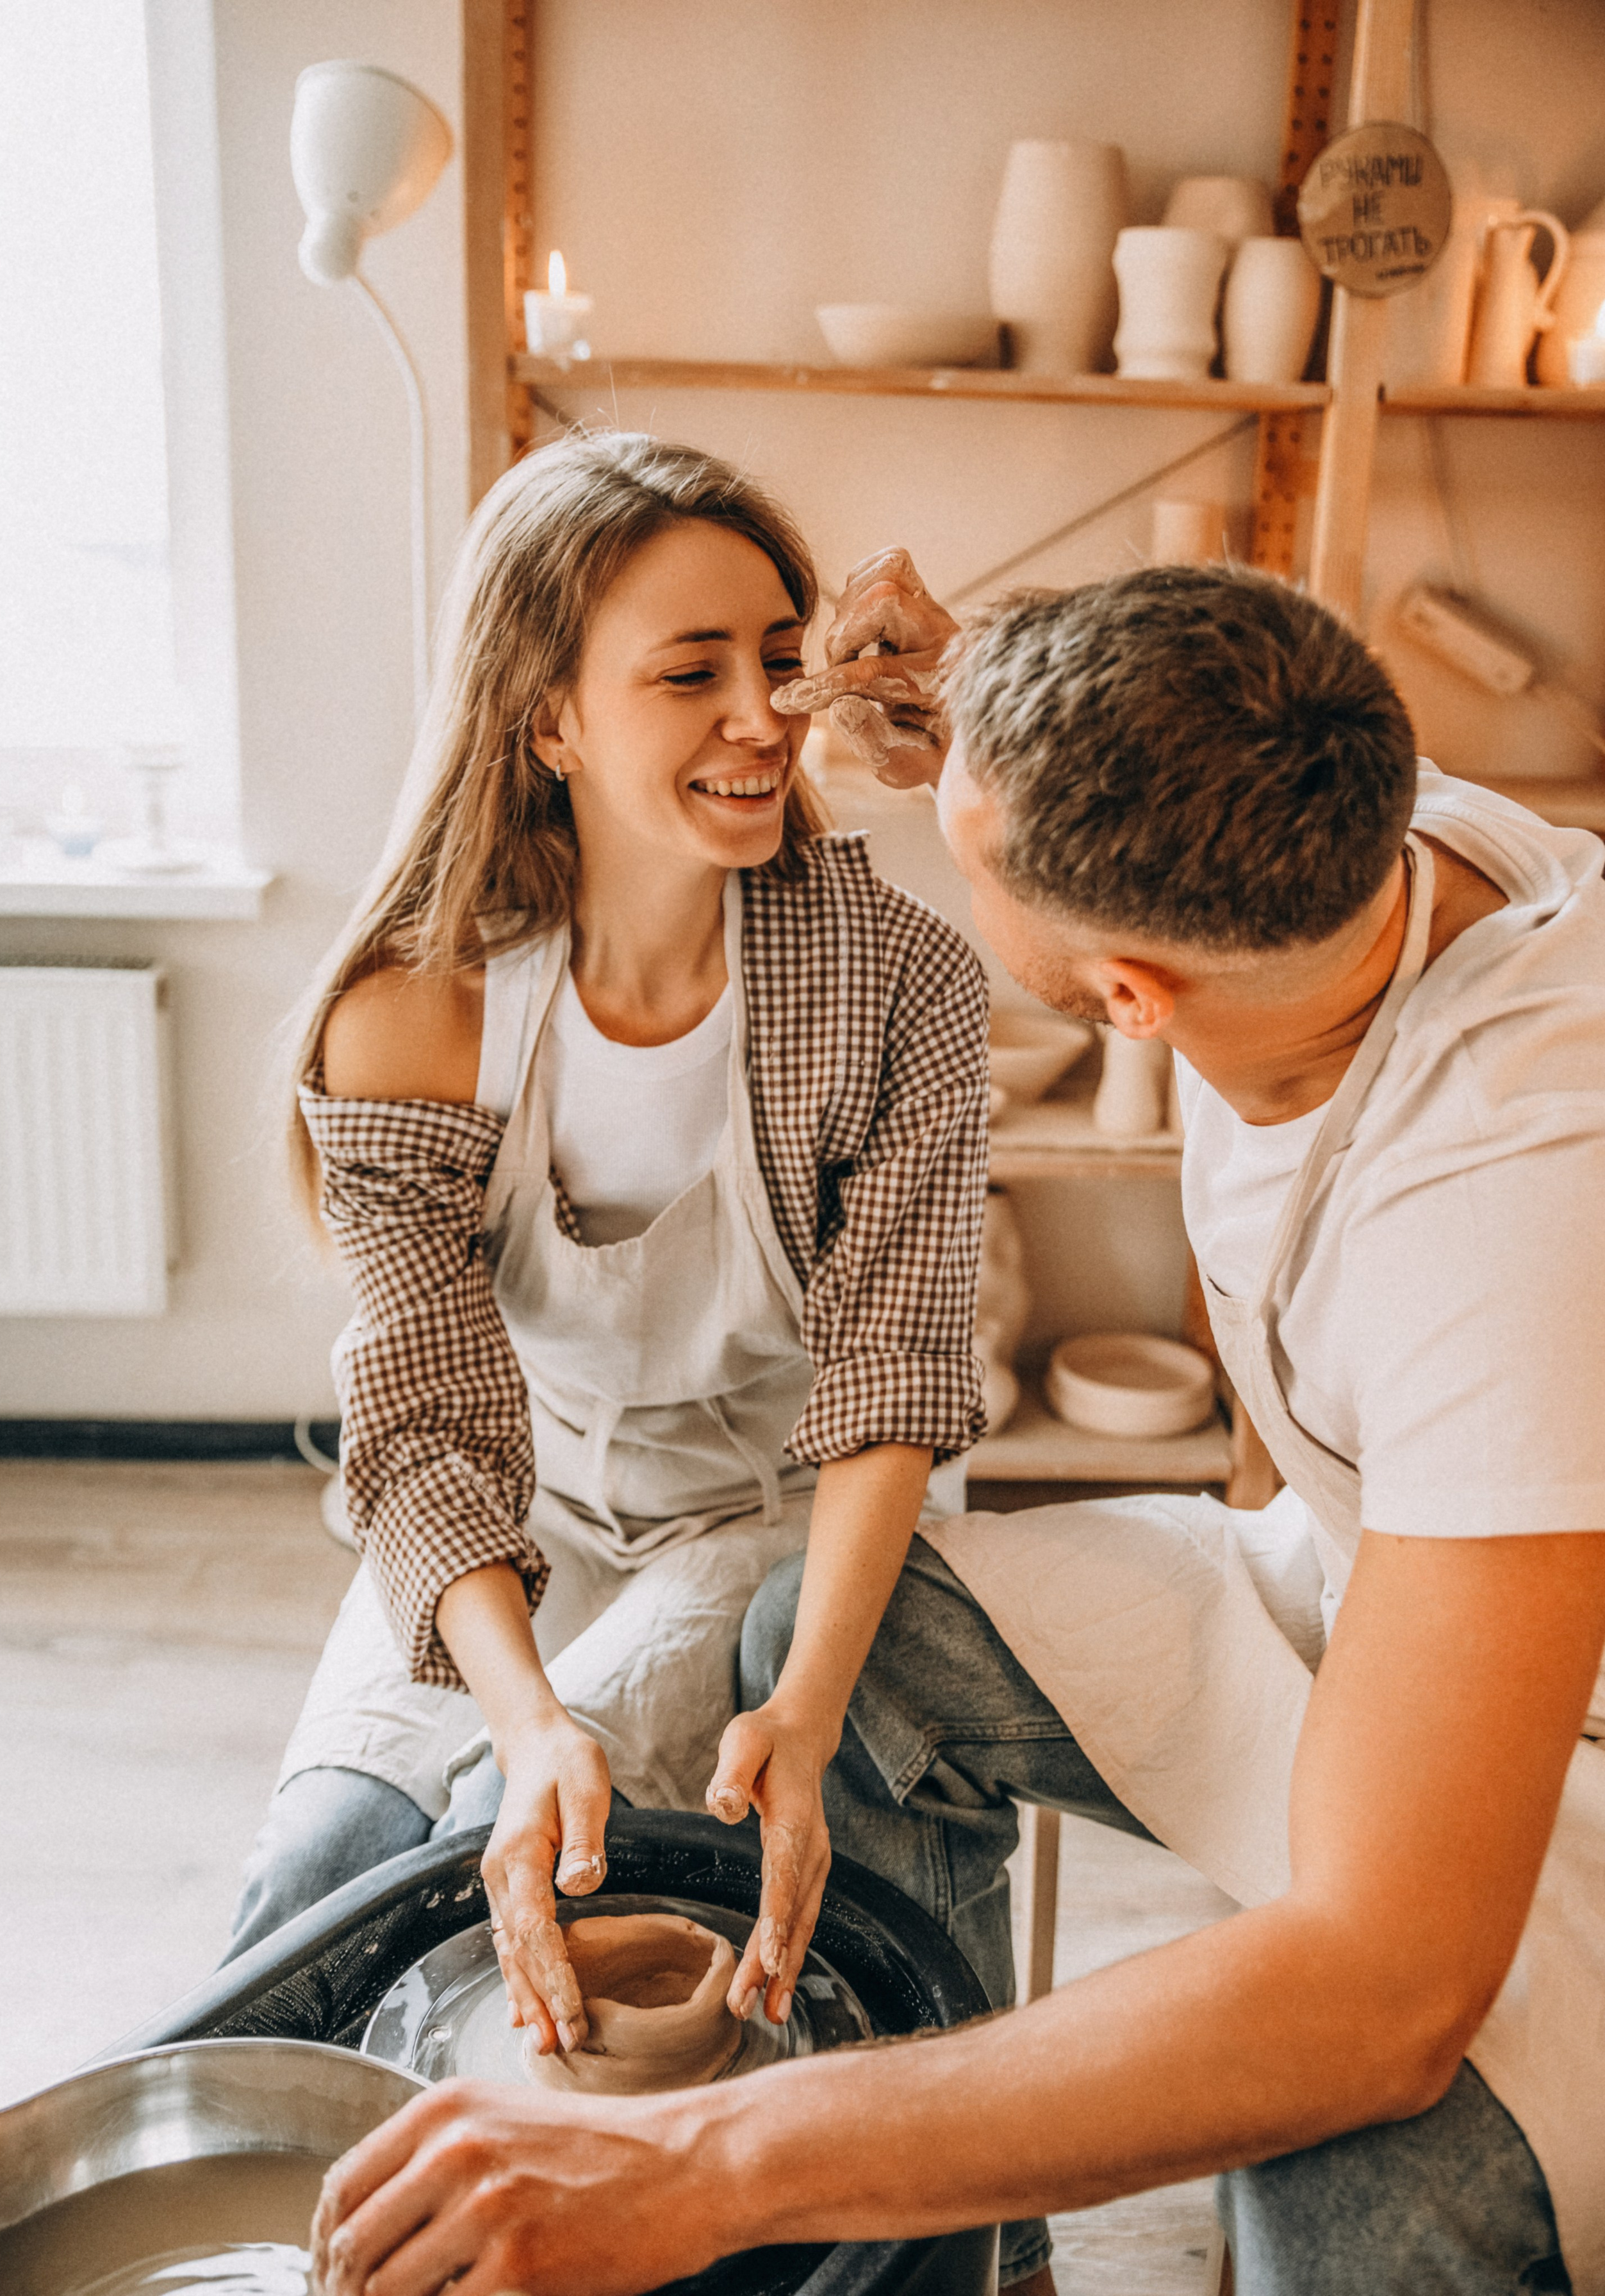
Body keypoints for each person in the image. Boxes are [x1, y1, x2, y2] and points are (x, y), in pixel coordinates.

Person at [310, 552, 1605, 2296]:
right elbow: (1130, 731)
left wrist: (706, 2163)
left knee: (1350, 2163)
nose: (913, 812)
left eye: (966, 846)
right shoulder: (1342, 813)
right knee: (845, 1644)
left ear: (1123, 1003)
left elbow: (1380, 1997)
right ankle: (980, 2256)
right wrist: (969, 705)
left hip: (1555, 1739)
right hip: (1375, 1577)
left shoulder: (1510, 1211)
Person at [229, 449, 990, 2066]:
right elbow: (429, 1435)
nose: (762, 716)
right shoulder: (413, 1016)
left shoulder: (898, 985)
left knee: (528, 1850)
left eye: (778, 659)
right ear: (547, 718)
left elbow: (892, 1378)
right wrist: (522, 1713)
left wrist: (801, 1706)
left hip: (783, 1518)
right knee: (320, 1885)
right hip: (523, 1515)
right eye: (687, 673)